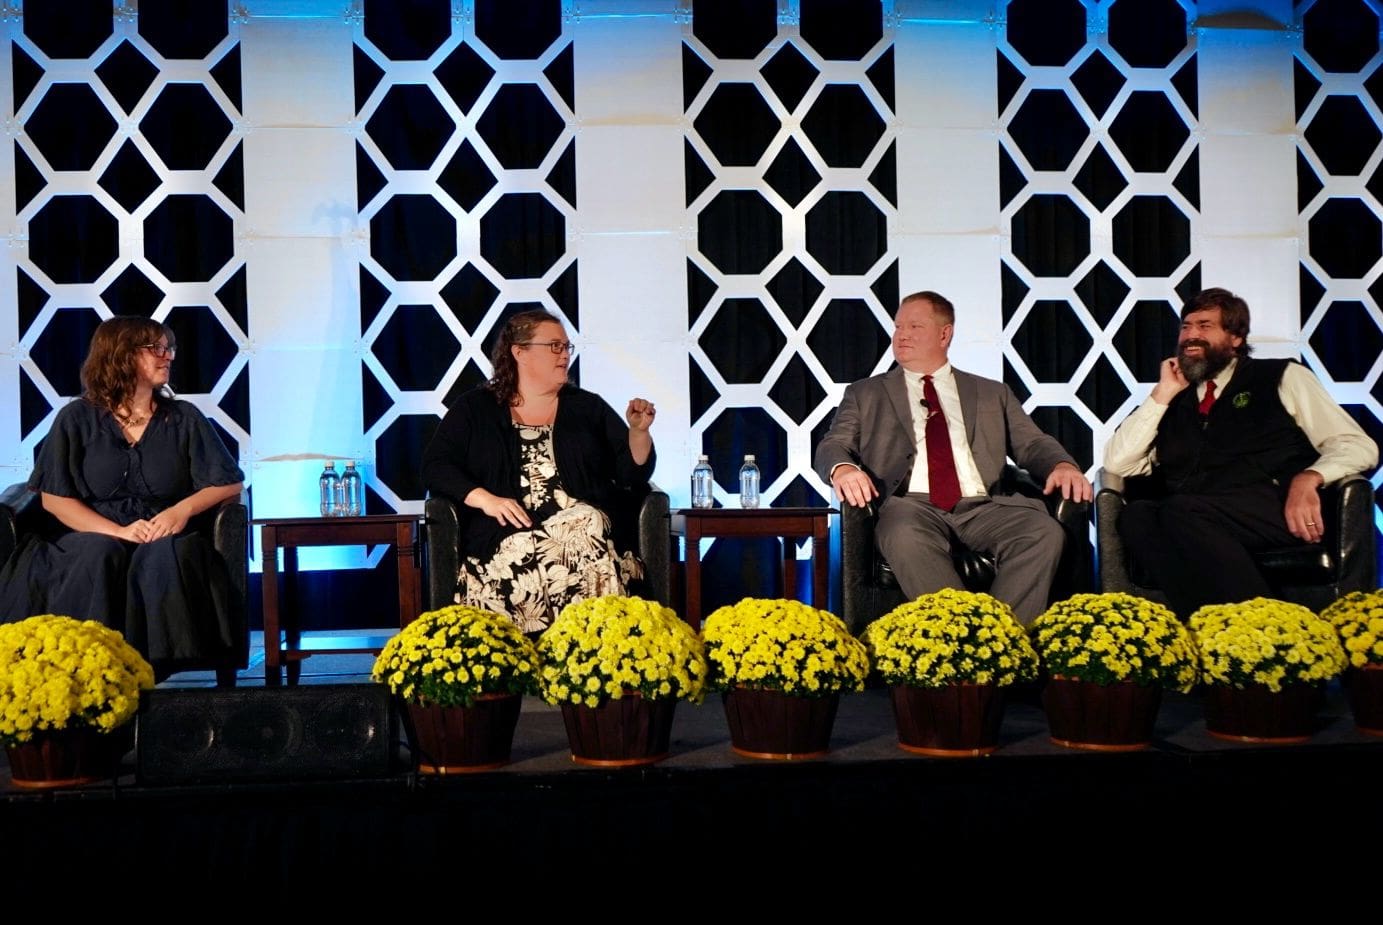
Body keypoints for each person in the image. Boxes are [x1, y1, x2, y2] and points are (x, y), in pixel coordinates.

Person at [814, 290, 1092, 624]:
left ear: (944, 334)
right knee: (902, 534)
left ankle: (1003, 637)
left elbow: (1032, 443)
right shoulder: (866, 393)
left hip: (985, 506)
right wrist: (843, 468)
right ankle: (962, 633)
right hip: (910, 505)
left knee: (1043, 532)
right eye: (898, 326)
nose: (902, 335)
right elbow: (833, 444)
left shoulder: (992, 392)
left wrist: (1062, 465)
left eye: (915, 326)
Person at [1103, 287, 1378, 617]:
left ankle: (1267, 625)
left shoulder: (1282, 377)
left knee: (1180, 510)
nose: (1191, 336)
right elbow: (1118, 462)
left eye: (1205, 326)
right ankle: (1211, 628)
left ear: (1235, 338)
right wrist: (1162, 394)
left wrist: (1310, 477)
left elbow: (1358, 445)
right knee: (1136, 516)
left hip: (1272, 509)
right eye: (1186, 327)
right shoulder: (1173, 400)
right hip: (1193, 518)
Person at [0, 316, 246, 673]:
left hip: (160, 529)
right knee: (99, 553)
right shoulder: (76, 418)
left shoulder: (183, 418)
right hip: (92, 530)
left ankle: (159, 672)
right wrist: (118, 531)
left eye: (169, 348)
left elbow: (228, 482)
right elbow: (54, 499)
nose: (168, 356)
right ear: (122, 355)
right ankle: (89, 667)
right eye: (156, 349)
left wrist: (180, 512)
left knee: (166, 557)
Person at [421, 309, 657, 634]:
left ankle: (591, 651)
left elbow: (631, 475)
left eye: (566, 347)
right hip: (505, 534)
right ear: (520, 352)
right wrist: (486, 500)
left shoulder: (588, 407)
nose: (564, 355)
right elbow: (435, 466)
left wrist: (638, 433)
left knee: (585, 526)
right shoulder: (475, 408)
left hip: (583, 532)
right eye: (554, 346)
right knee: (526, 553)